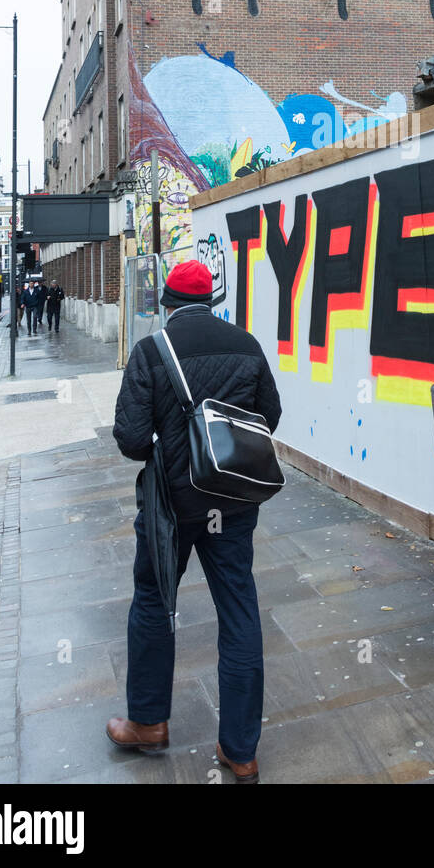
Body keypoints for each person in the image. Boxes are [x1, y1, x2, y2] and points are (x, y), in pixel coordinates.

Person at [107, 259, 282, 783]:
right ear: (211, 299)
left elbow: (131, 440)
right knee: (239, 611)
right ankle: (241, 751)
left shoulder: (151, 351)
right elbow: (268, 416)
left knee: (155, 603)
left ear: (167, 302)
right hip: (231, 501)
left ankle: (147, 722)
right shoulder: (246, 344)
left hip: (171, 506)